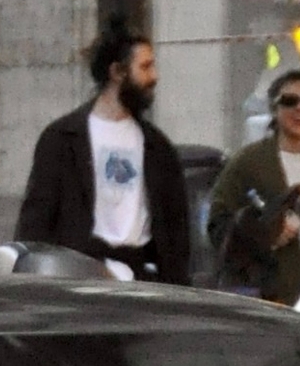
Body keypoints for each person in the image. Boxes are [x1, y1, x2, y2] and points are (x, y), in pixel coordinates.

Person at [15, 14, 193, 283]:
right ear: (117, 72)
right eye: (145, 67)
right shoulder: (61, 140)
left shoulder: (158, 148)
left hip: (145, 285)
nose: (154, 77)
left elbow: (177, 236)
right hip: (80, 285)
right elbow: (35, 226)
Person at [207, 68, 300, 304]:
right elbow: (218, 223)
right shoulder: (248, 163)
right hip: (267, 291)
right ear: (274, 109)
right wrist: (265, 236)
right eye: (290, 101)